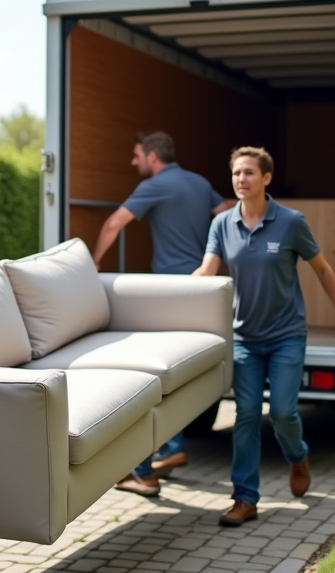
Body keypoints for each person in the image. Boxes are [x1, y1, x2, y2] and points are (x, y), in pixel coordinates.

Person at [194, 146, 335, 527]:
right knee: (246, 416)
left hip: (285, 336)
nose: (240, 180)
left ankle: (297, 455)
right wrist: (169, 300)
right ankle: (245, 499)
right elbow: (206, 273)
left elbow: (324, 271)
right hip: (245, 337)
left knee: (283, 412)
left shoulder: (291, 222)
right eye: (236, 173)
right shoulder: (222, 225)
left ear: (266, 178)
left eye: (249, 173)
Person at [92, 130, 235, 497]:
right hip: (201, 288)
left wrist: (93, 264)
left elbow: (113, 223)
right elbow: (226, 213)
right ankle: (171, 449)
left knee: (152, 375)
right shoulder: (200, 183)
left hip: (169, 292)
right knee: (182, 373)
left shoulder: (157, 186)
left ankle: (146, 467)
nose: (133, 161)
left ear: (153, 158)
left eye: (137, 154)